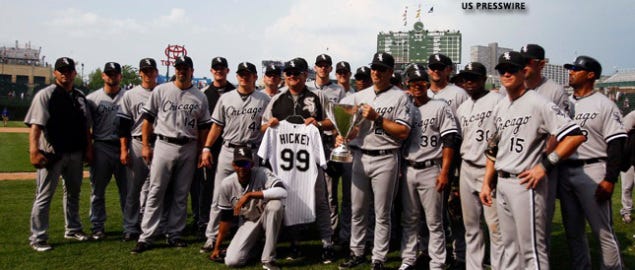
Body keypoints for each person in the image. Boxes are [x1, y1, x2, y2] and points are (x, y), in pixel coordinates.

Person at [479, 51, 585, 269]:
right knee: (509, 249)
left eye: (512, 69)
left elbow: (576, 135)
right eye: (502, 70)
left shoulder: (539, 102)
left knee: (532, 251)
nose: (506, 73)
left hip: (525, 182)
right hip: (503, 181)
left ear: (523, 71)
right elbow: (493, 147)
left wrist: (544, 166)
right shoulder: (500, 106)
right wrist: (486, 181)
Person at [338, 52, 411, 270]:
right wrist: (343, 133)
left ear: (390, 72)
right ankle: (357, 252)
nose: (376, 72)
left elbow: (403, 131)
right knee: (357, 210)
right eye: (374, 68)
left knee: (382, 212)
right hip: (360, 155)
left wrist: (377, 118)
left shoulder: (400, 97)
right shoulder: (361, 95)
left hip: (386, 156)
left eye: (381, 68)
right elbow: (342, 116)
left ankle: (378, 257)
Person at [131, 56, 212, 253]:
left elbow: (203, 128)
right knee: (156, 191)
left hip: (189, 146)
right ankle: (146, 236)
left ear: (192, 71)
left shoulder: (199, 96)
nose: (181, 71)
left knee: (181, 193)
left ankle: (174, 234)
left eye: (185, 68)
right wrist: (145, 145)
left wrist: (203, 150)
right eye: (179, 67)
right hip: (164, 143)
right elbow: (147, 120)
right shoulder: (161, 90)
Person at [260, 57, 336, 264]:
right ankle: (295, 242)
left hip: (311, 160)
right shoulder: (277, 99)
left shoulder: (318, 96)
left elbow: (334, 122)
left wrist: (318, 123)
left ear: (305, 75)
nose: (292, 76)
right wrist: (271, 124)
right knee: (289, 201)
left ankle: (327, 243)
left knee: (321, 202)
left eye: (297, 73)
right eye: (289, 73)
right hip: (285, 164)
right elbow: (262, 127)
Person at [560, 55, 625, 269]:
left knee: (603, 231)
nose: (571, 72)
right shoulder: (564, 105)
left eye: (576, 69)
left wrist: (610, 179)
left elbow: (616, 143)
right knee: (573, 232)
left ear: (591, 75)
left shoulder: (604, 104)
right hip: (566, 170)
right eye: (570, 69)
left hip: (594, 168)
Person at [201, 62, 270, 252]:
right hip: (228, 149)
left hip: (251, 150)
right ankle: (212, 236)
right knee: (219, 195)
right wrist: (207, 147)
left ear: (255, 77)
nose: (244, 77)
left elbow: (267, 127)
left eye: (248, 74)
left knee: (250, 199)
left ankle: (244, 236)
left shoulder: (264, 99)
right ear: (237, 76)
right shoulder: (226, 98)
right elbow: (216, 126)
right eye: (241, 74)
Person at [25, 57, 93, 251]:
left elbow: (86, 127)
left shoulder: (79, 97)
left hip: (75, 153)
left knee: (73, 193)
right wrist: (34, 151)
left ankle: (72, 229)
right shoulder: (46, 95)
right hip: (52, 153)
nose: (65, 73)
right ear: (55, 73)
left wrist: (88, 149)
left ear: (74, 73)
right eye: (61, 70)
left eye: (68, 70)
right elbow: (36, 126)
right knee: (44, 195)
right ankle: (38, 237)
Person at [399, 64, 460, 270]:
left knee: (434, 222)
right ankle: (408, 260)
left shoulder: (440, 106)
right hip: (408, 167)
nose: (417, 86)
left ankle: (437, 263)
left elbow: (450, 139)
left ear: (427, 84)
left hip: (431, 168)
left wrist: (445, 171)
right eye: (413, 83)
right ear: (408, 84)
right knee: (409, 219)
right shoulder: (404, 107)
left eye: (421, 82)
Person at [455, 62, 504, 269]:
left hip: (489, 168)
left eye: (473, 78)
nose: (469, 82)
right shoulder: (463, 107)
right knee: (471, 226)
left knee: (496, 227)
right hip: (466, 167)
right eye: (466, 78)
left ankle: (499, 265)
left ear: (483, 79)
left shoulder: (498, 101)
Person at [209, 146, 287, 270]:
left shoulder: (262, 173)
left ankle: (268, 260)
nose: (242, 168)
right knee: (232, 261)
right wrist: (217, 247)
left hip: (268, 219)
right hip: (249, 222)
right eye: (239, 164)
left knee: (275, 205)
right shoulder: (227, 184)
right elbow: (226, 219)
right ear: (233, 165)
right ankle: (256, 248)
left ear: (251, 164)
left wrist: (250, 195)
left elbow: (282, 192)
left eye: (245, 163)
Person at [426, 52, 468, 268]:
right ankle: (435, 252)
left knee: (455, 211)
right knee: (432, 214)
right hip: (428, 160)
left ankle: (460, 254)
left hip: (453, 159)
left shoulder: (458, 94)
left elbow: (464, 128)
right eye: (432, 67)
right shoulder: (422, 93)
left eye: (440, 67)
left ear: (449, 70)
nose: (436, 70)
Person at [190, 56, 236, 237]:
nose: (219, 70)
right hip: (211, 146)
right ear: (211, 71)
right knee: (207, 185)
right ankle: (204, 220)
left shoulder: (234, 91)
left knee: (234, 186)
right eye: (215, 68)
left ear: (227, 70)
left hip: (230, 145)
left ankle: (232, 221)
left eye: (222, 68)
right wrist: (203, 148)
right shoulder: (204, 93)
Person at [118, 58, 159, 241]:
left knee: (157, 188)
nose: (148, 73)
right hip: (135, 143)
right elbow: (123, 125)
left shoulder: (163, 92)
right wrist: (124, 149)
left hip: (160, 143)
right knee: (134, 188)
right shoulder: (130, 95)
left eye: (151, 70)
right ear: (140, 73)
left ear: (156, 72)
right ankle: (130, 226)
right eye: (145, 70)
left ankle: (154, 225)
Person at [86, 62, 128, 240]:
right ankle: (97, 226)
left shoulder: (128, 97)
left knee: (127, 191)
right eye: (108, 73)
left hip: (124, 147)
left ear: (120, 76)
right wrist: (89, 150)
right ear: (103, 76)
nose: (112, 76)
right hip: (102, 145)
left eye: (115, 73)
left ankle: (130, 225)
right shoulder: (93, 99)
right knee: (97, 190)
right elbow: (86, 128)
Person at [620, 110, 635, 223]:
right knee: (627, 187)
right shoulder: (633, 115)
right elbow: (622, 131)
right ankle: (626, 211)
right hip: (628, 158)